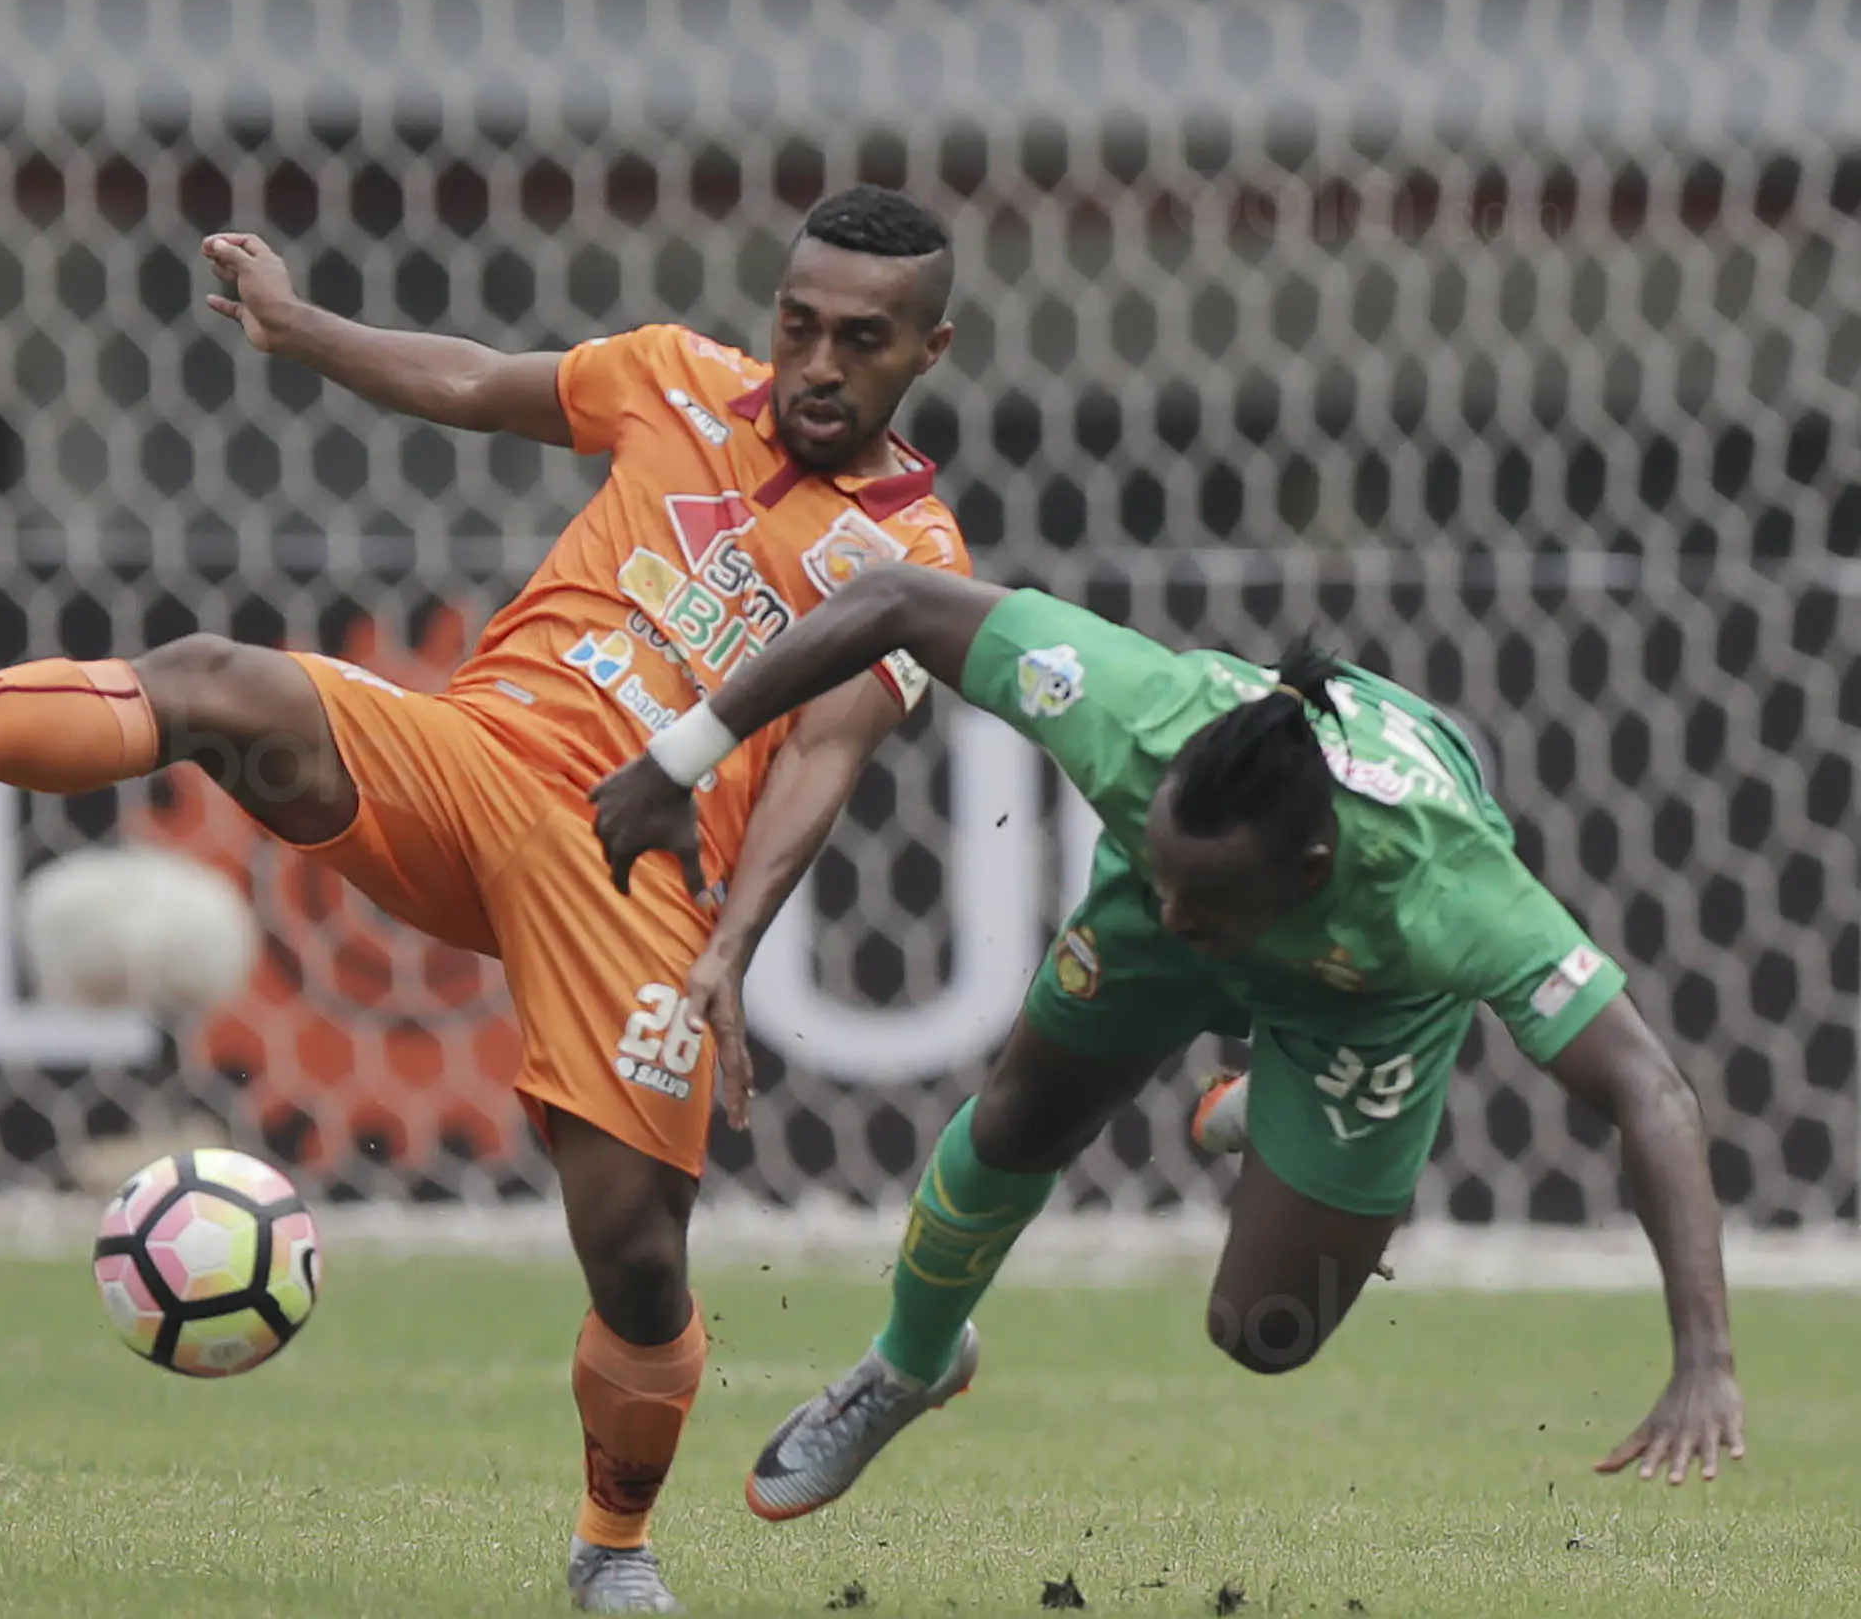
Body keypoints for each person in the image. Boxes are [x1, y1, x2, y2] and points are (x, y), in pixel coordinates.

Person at [0, 187, 973, 1612]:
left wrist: (732, 948)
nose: (819, 364)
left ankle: (612, 1544)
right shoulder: (678, 376)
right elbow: (472, 379)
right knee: (224, 680)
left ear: (927, 352)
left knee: (638, 1259)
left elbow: (816, 763)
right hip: (468, 759)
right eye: (800, 325)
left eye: (862, 340)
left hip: (632, 873)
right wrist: (297, 326)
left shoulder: (914, 566)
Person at [586, 564, 1746, 1517]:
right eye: (1164, 860)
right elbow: (891, 599)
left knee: (1265, 1334)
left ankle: (1278, 1107)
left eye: (1210, 903)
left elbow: (1652, 1092)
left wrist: (1705, 1356)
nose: (1185, 923)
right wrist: (677, 758)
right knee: (1022, 1113)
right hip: (1165, 914)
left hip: (1364, 1005)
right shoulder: (1131, 715)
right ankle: (908, 1361)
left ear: (1310, 873)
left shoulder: (1448, 896)